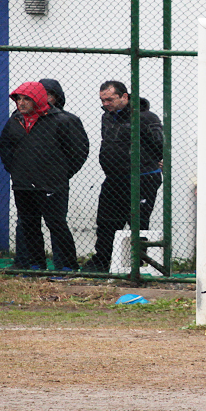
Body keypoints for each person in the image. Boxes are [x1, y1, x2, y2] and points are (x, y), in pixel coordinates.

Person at [0, 80, 88, 271]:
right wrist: (16, 171)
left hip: (51, 184)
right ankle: (34, 264)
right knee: (28, 224)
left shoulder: (64, 120)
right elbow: (4, 147)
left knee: (56, 223)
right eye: (18, 99)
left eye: (26, 99)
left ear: (38, 99)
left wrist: (59, 174)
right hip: (22, 184)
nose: (20, 103)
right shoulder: (15, 120)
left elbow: (78, 151)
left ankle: (66, 267)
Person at [82, 81, 164, 273]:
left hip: (142, 178)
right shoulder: (107, 117)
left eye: (110, 99)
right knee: (106, 221)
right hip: (114, 178)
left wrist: (149, 160)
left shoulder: (146, 117)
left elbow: (159, 144)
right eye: (102, 100)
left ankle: (140, 262)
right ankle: (103, 260)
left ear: (124, 97)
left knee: (139, 221)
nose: (106, 104)